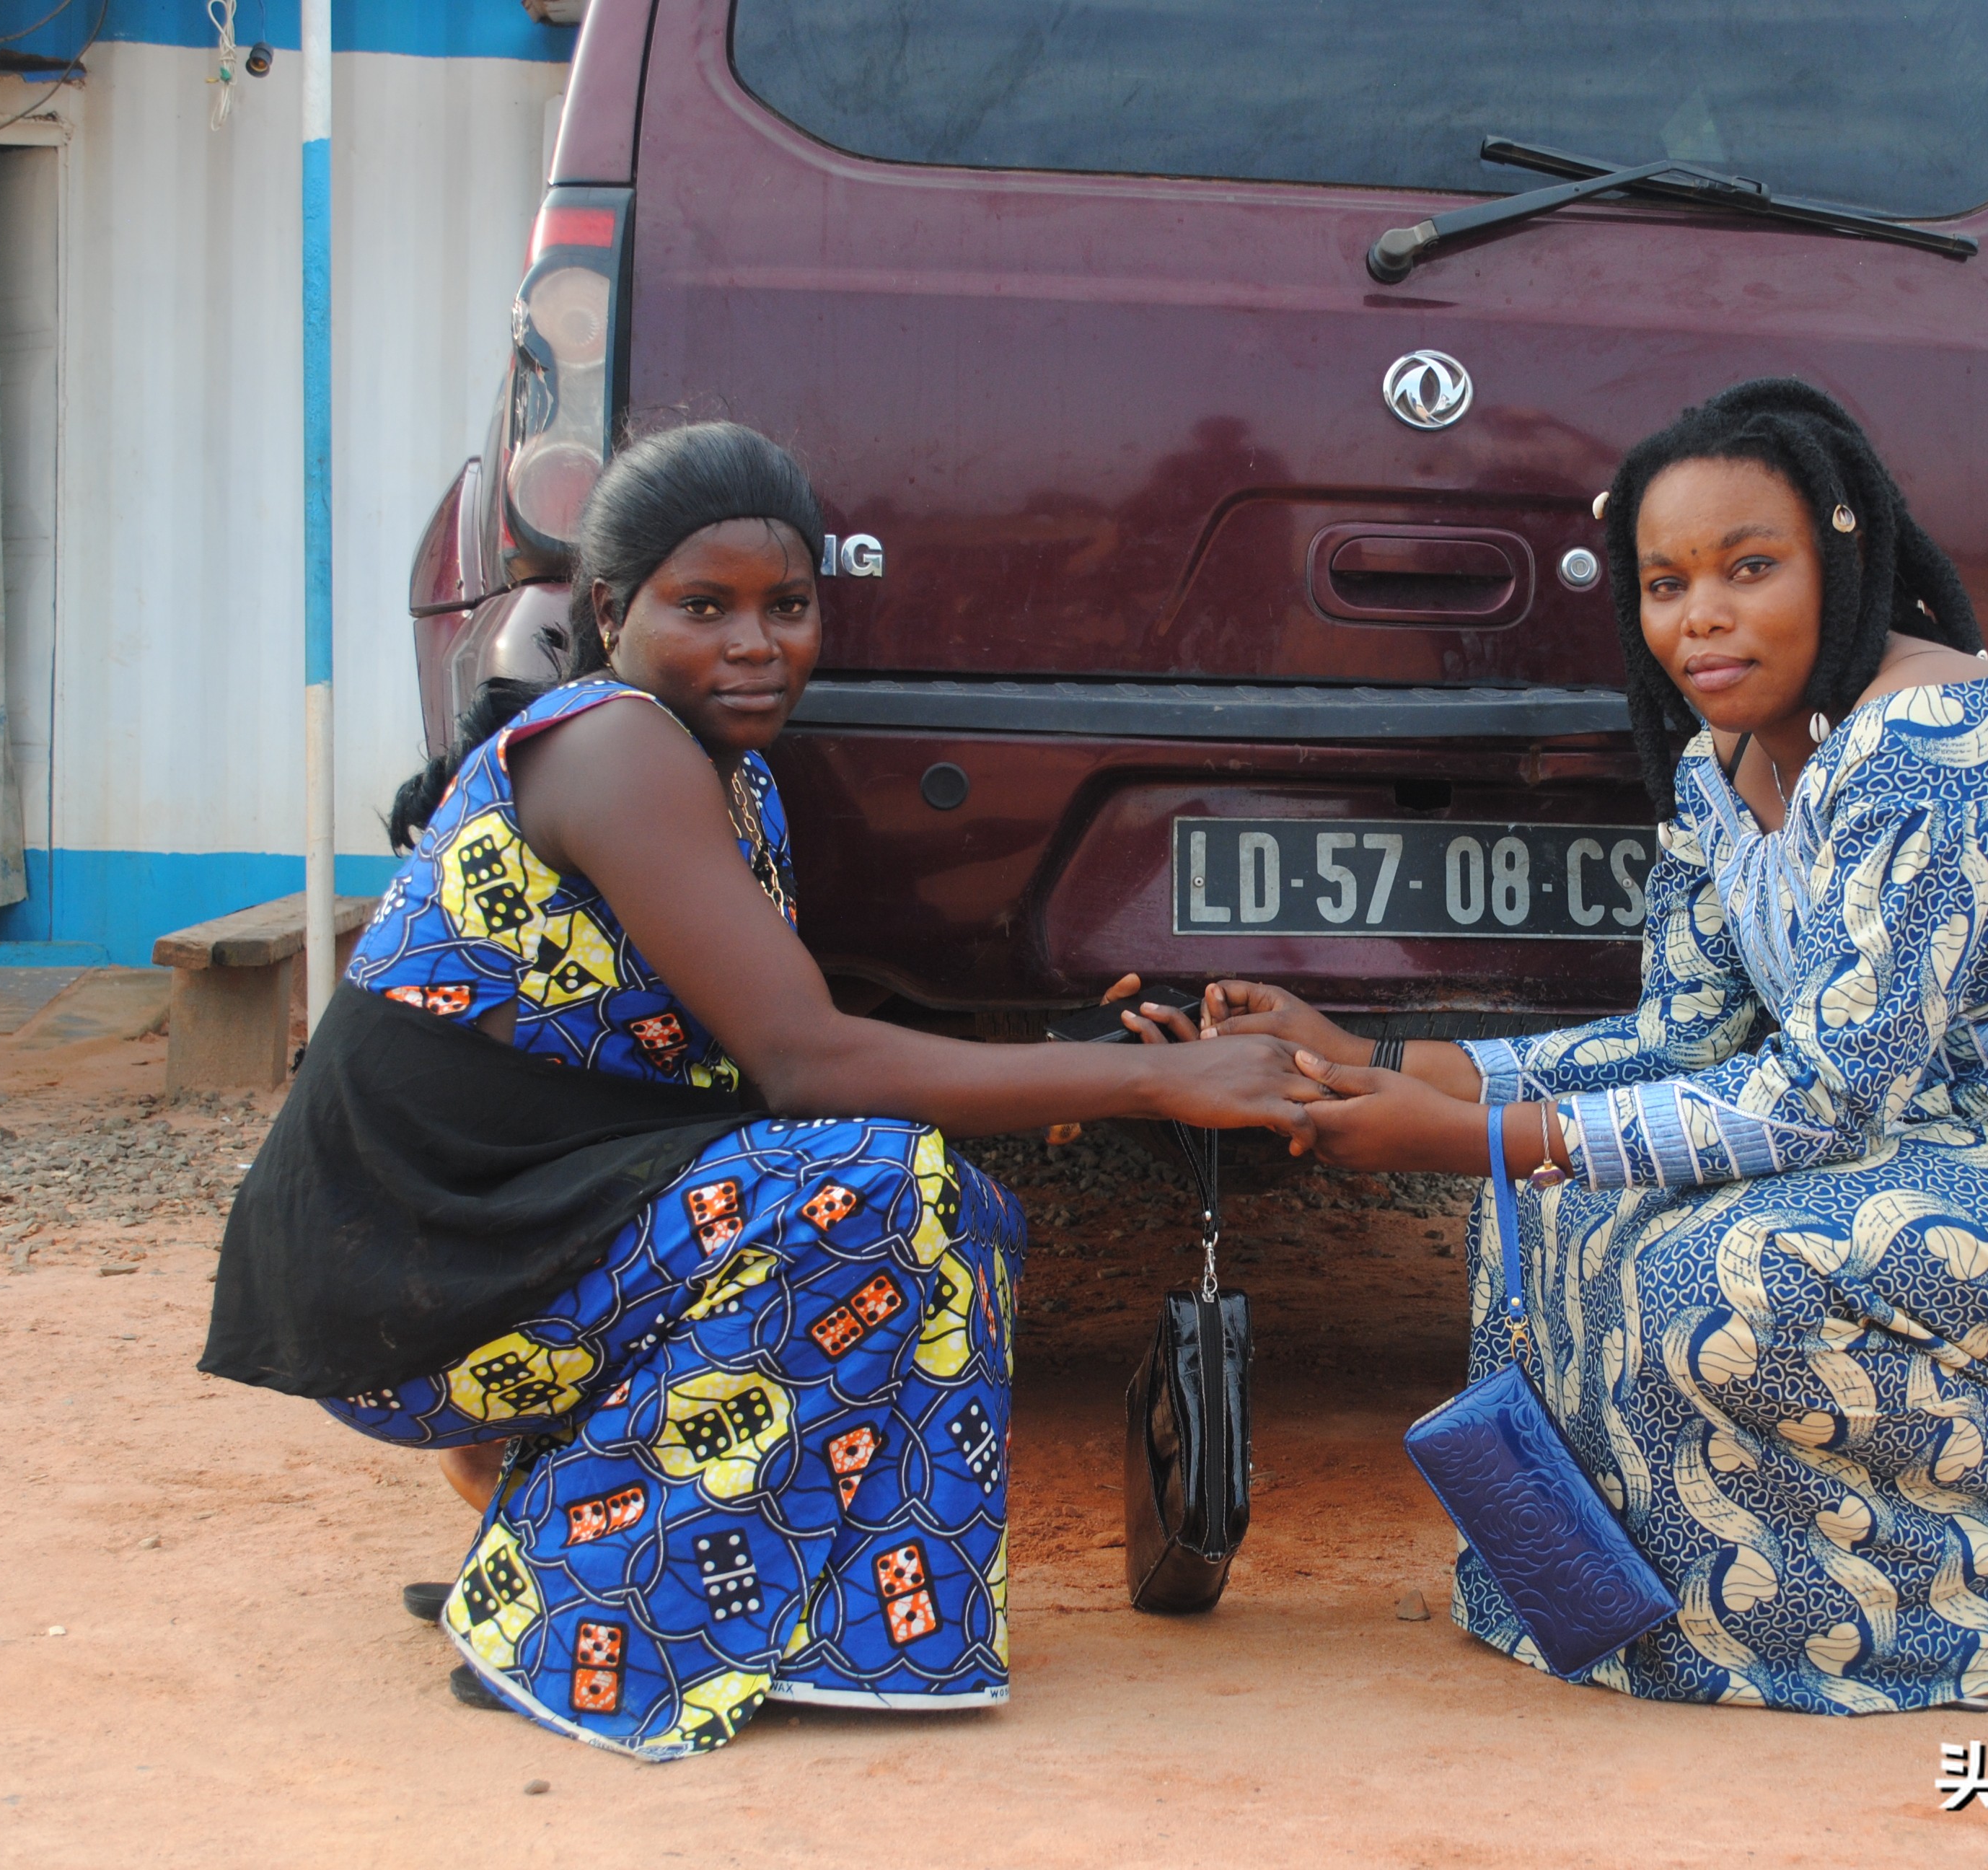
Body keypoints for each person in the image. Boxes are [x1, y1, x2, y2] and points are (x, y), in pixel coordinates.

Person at [200, 422, 1322, 1760]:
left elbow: (761, 1055)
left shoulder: (729, 782)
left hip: (511, 1243)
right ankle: (573, 1609)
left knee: (962, 1215)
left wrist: (1091, 1060)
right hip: (413, 1286)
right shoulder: (614, 750)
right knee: (869, 1183)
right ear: (611, 613)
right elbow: (805, 1066)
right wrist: (1165, 1090)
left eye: (787, 608)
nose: (756, 643)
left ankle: (855, 1641)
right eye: (704, 606)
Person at [1195, 379, 1988, 1714]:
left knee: (1730, 1276)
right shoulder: (1720, 763)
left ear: (1843, 563)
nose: (1702, 616)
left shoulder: (1931, 739)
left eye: (1750, 568)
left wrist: (1467, 1137)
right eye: (1665, 585)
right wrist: (1393, 1062)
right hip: (1970, 1158)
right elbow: (1679, 1044)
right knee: (1563, 1219)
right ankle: (1655, 1599)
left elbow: (1821, 1104)